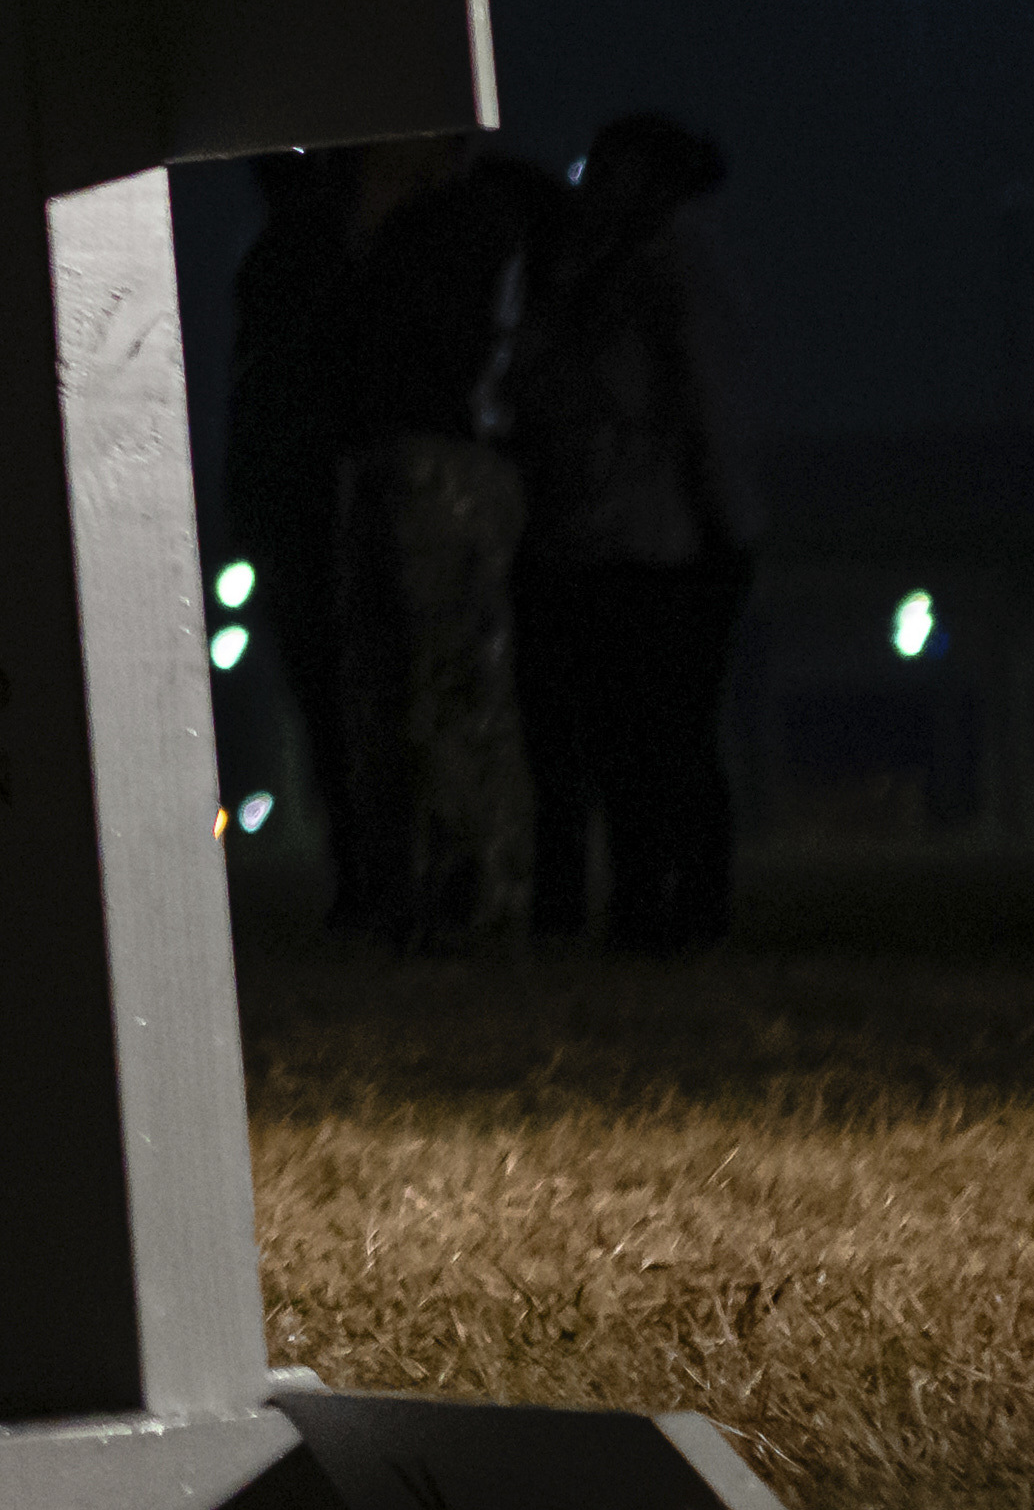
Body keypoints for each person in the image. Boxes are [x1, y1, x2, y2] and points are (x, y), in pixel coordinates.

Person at [512, 113, 763, 948]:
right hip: (642, 538)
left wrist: (724, 523)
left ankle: (664, 909)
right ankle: (665, 910)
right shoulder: (633, 268)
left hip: (649, 540)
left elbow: (701, 401)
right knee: (653, 735)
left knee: (654, 736)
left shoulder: (641, 269)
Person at [323, 129, 543, 951]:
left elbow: (410, 344)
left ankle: (476, 893)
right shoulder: (440, 225)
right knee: (397, 687)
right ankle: (424, 891)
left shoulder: (454, 225)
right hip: (409, 457)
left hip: (438, 461)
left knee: (450, 686)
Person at [221, 149, 369, 927]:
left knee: (329, 700)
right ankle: (370, 870)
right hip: (324, 501)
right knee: (352, 699)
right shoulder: (335, 254)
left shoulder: (280, 261)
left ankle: (361, 871)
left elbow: (256, 398)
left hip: (305, 503)